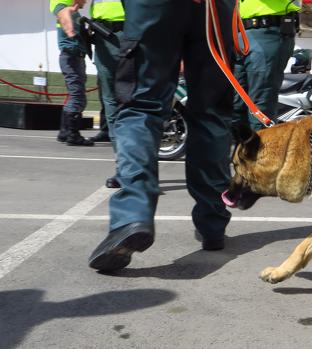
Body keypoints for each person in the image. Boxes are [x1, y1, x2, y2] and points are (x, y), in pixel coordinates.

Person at [87, 0, 236, 272]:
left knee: (141, 106)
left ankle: (132, 216)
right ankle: (213, 224)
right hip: (215, 8)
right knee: (211, 113)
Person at [232, 0, 301, 130]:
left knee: (260, 108)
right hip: (239, 33)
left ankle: (263, 149)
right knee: (234, 107)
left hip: (268, 31)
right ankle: (239, 149)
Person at [87, 0, 125, 188]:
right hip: (104, 36)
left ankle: (143, 169)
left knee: (139, 105)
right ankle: (123, 169)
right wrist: (62, 8)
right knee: (111, 106)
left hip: (138, 33)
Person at [50, 0, 94, 146]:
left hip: (74, 57)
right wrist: (70, 31)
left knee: (74, 95)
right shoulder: (66, 10)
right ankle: (73, 135)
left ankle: (64, 132)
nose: (86, 1)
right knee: (77, 97)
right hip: (71, 57)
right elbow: (64, 15)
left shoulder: (76, 14)